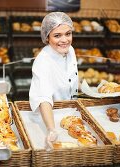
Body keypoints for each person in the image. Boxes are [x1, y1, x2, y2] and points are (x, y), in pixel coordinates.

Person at [29, 12, 79, 150]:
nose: (64, 40)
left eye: (68, 34)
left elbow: (70, 79)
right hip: (50, 119)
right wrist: (51, 129)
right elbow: (43, 97)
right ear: (47, 38)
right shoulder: (43, 61)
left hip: (70, 115)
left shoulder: (70, 51)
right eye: (57, 35)